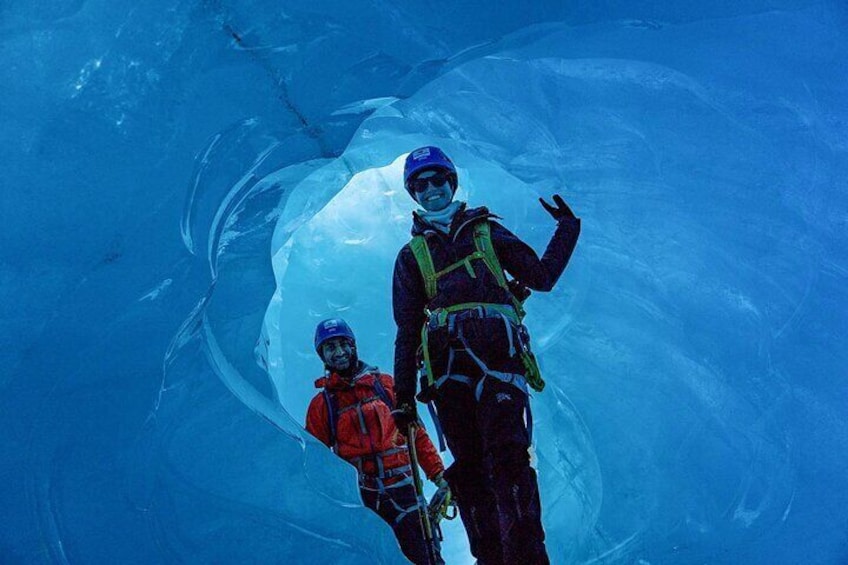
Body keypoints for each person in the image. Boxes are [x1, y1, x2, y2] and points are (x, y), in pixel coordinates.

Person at [390, 146, 581, 564]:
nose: (431, 189)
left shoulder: (486, 232)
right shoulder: (411, 258)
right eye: (421, 185)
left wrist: (567, 228)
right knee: (471, 472)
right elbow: (406, 333)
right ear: (413, 194)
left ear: (451, 183)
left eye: (438, 180)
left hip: (497, 364)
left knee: (509, 459)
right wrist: (402, 399)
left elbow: (541, 277)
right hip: (446, 372)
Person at [305, 318, 449, 565]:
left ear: (353, 345)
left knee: (425, 558)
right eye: (330, 348)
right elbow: (318, 462)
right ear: (322, 356)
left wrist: (438, 474)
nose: (339, 352)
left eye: (342, 344)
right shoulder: (322, 406)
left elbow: (415, 434)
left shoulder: (385, 385)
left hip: (404, 492)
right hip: (362, 500)